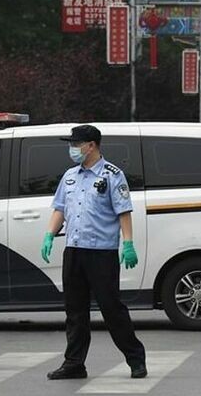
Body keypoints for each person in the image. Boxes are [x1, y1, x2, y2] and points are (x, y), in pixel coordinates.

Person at [41, 125, 147, 380]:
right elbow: (60, 209)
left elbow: (123, 211)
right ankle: (74, 363)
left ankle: (135, 359)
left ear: (91, 145)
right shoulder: (69, 176)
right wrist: (49, 235)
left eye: (76, 145)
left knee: (111, 309)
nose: (72, 149)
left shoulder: (112, 175)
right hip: (74, 251)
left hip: (101, 253)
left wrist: (128, 243)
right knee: (75, 311)